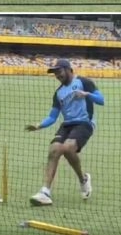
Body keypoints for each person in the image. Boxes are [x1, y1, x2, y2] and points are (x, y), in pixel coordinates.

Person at [26, 59, 104, 206]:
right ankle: (45, 192)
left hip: (85, 123)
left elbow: (101, 100)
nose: (57, 75)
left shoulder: (84, 82)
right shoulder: (58, 93)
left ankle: (83, 180)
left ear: (68, 69)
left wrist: (86, 94)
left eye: (59, 71)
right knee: (54, 150)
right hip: (67, 124)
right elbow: (53, 116)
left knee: (68, 148)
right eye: (55, 73)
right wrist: (39, 125)